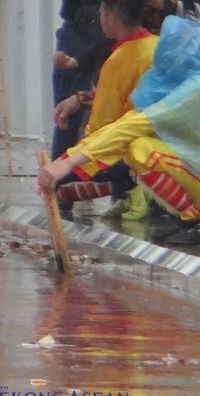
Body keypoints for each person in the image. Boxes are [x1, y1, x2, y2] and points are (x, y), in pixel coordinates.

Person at [40, 13, 200, 246]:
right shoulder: (156, 61)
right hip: (122, 145)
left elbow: (133, 122)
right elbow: (132, 119)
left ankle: (191, 218)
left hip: (115, 149)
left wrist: (68, 160)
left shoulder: (191, 88)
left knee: (140, 150)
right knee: (134, 145)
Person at [51, 0, 157, 218]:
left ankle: (129, 186)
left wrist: (71, 160)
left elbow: (101, 126)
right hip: (162, 143)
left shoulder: (118, 60)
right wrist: (79, 99)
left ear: (109, 18)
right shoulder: (156, 45)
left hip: (131, 150)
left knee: (58, 186)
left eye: (101, 13)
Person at [36, 0, 128, 159]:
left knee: (67, 112)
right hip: (119, 26)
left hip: (78, 29)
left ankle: (62, 184)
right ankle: (119, 185)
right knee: (117, 107)